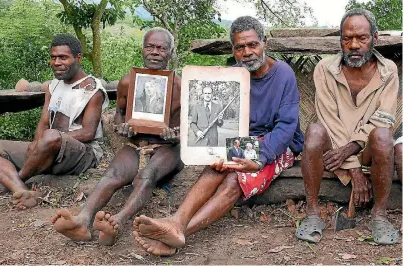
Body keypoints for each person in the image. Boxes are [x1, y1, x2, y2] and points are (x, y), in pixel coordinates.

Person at [132, 16, 304, 256]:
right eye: (239, 47)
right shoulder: (230, 76)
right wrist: (210, 149)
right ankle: (176, 221)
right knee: (217, 167)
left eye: (253, 44)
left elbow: (286, 126)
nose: (247, 52)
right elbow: (217, 122)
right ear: (233, 50)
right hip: (242, 141)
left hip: (275, 143)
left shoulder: (284, 74)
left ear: (264, 42)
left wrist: (261, 157)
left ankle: (179, 232)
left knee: (235, 178)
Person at [51, 27, 184, 246]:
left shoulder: (180, 86)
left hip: (169, 148)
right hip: (135, 143)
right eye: (149, 46)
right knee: (111, 175)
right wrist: (122, 126)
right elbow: (121, 114)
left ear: (170, 52)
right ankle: (82, 220)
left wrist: (175, 135)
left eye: (161, 48)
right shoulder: (128, 82)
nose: (154, 52)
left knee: (147, 176)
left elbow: (191, 127)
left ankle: (118, 222)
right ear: (142, 50)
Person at [296, 9, 399, 245]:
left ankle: (379, 215)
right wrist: (353, 170)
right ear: (340, 39)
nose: (353, 45)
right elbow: (328, 119)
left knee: (383, 136)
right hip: (335, 148)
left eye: (361, 38)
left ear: (375, 38)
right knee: (314, 131)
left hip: (366, 150)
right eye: (347, 38)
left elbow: (384, 119)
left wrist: (351, 151)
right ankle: (312, 213)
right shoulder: (324, 69)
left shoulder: (388, 71)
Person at [0, 34, 108, 210]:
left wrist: (46, 141)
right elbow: (44, 121)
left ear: (78, 58)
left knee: (51, 136)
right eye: (53, 57)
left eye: (63, 57)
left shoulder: (92, 89)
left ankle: (12, 181)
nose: (57, 62)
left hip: (82, 154)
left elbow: (88, 132)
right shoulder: (53, 86)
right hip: (49, 148)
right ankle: (23, 190)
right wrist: (37, 144)